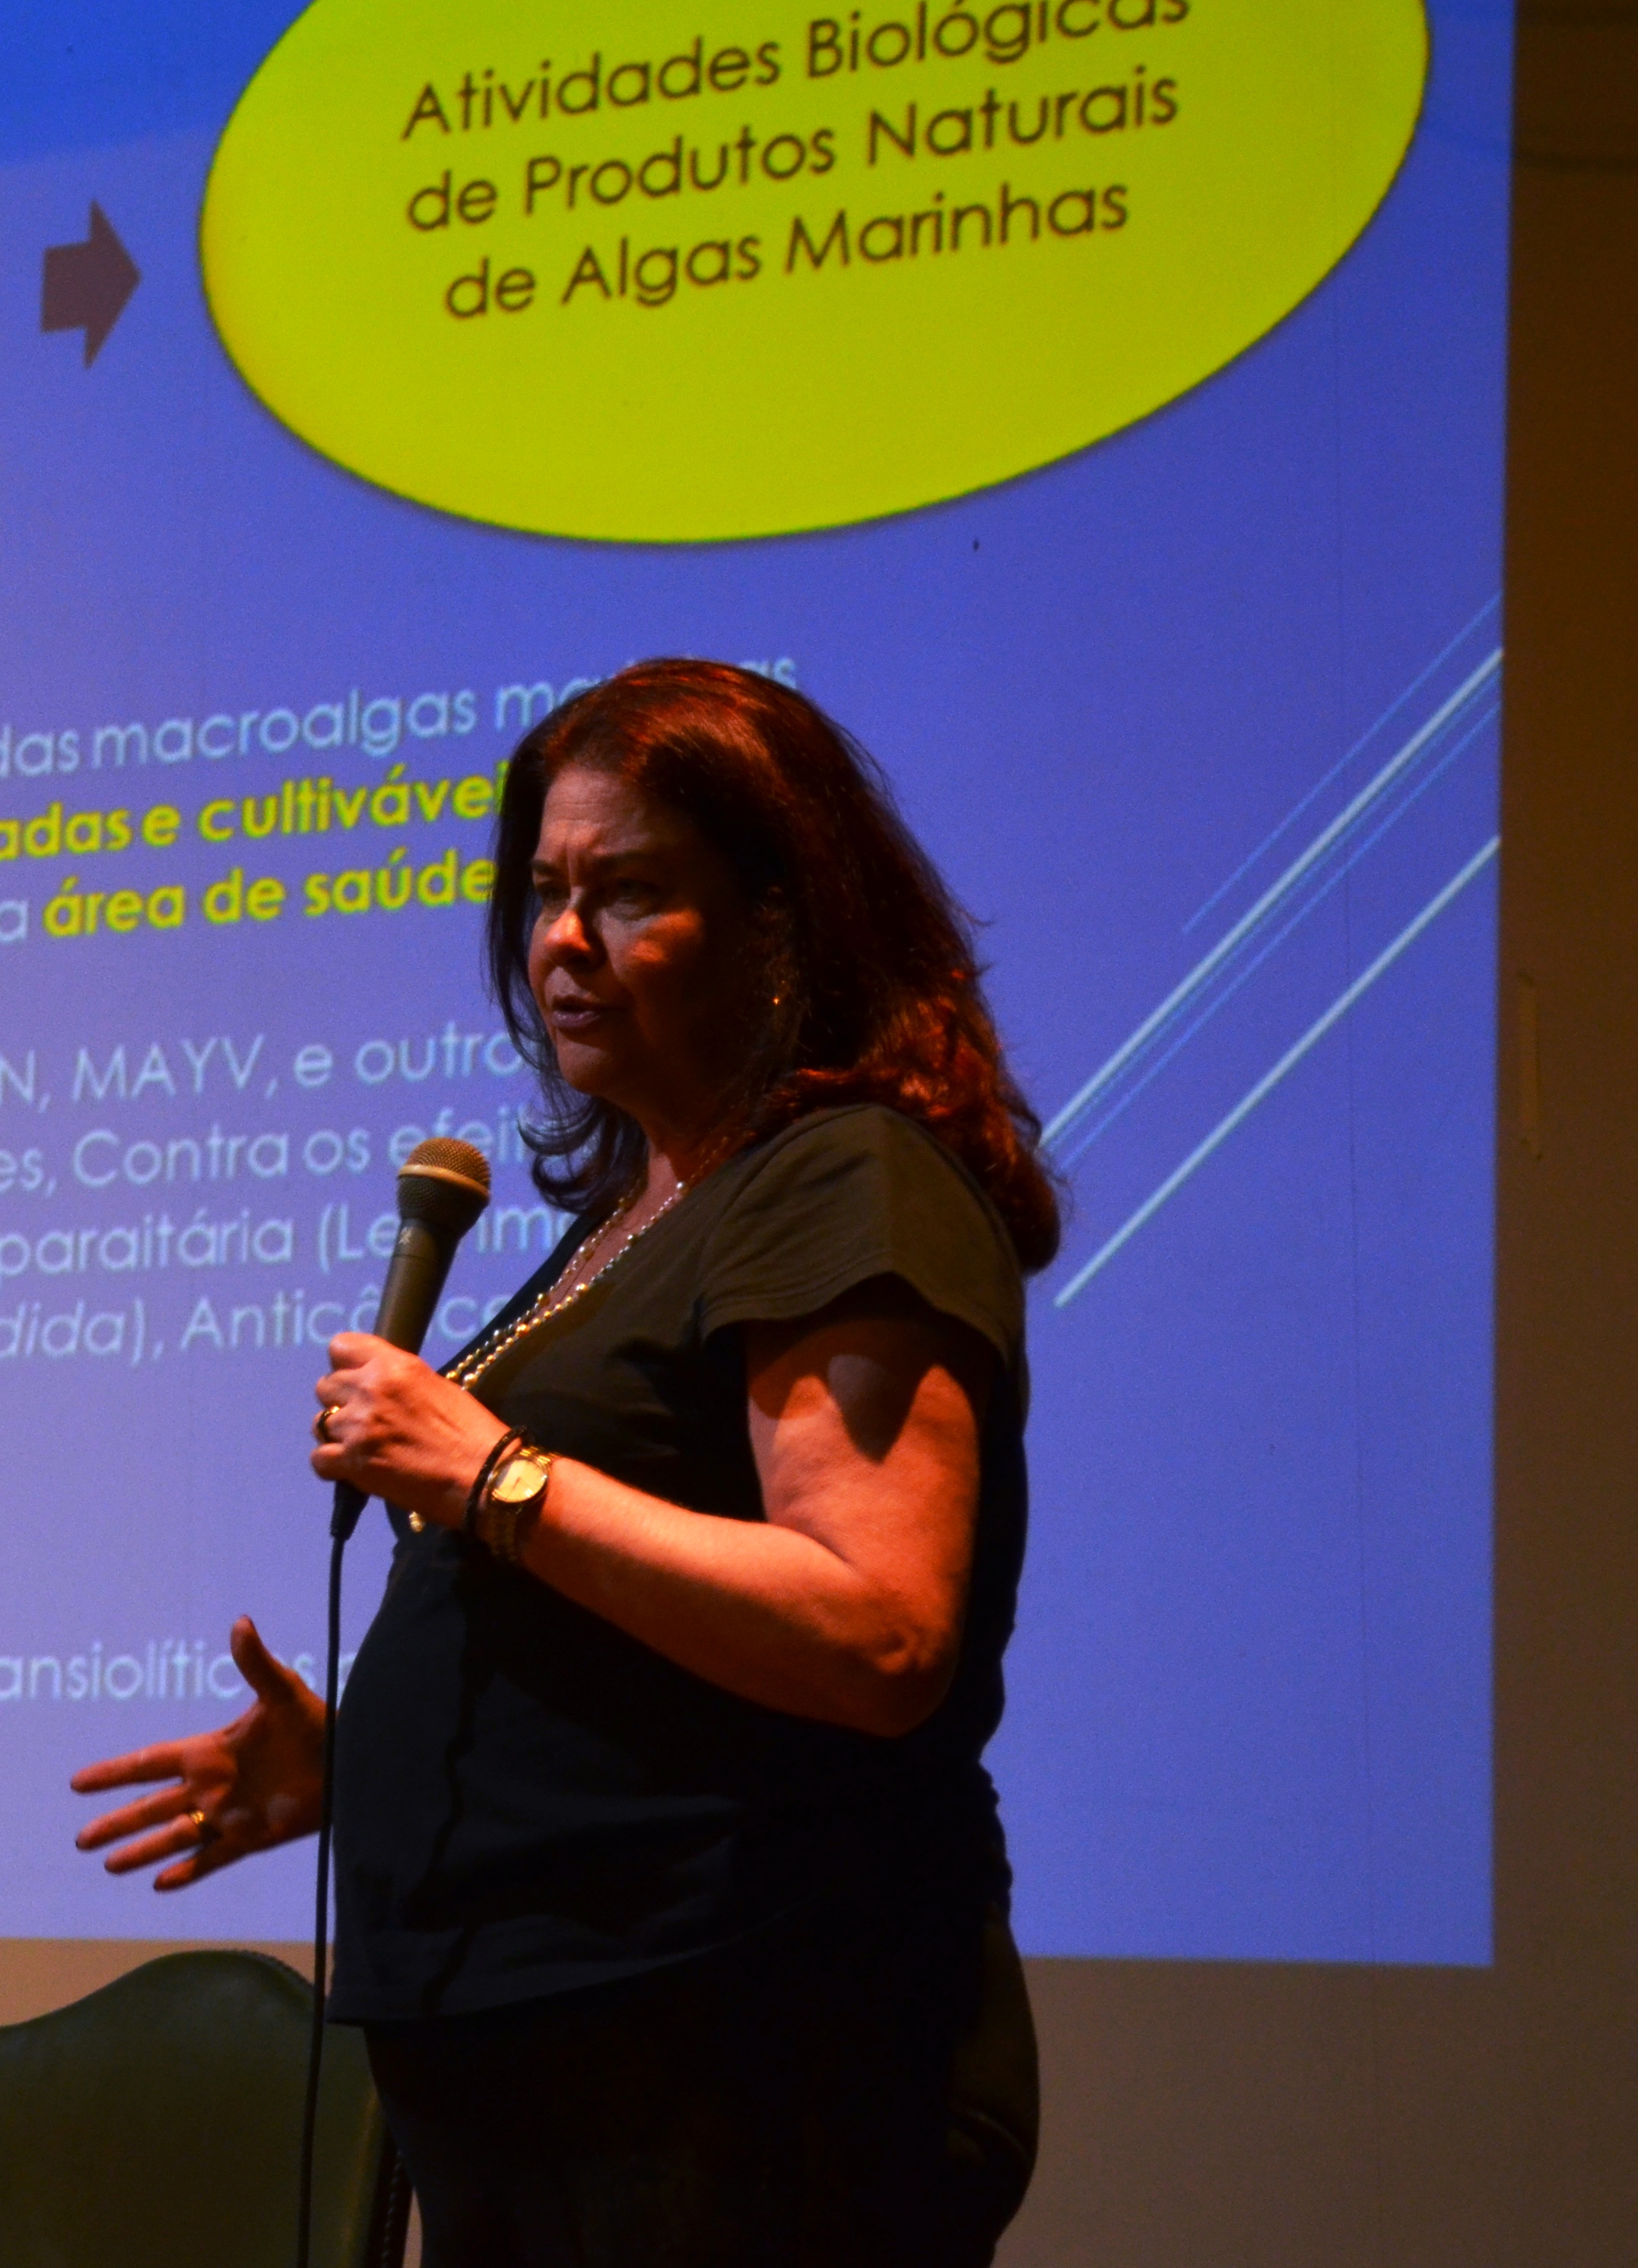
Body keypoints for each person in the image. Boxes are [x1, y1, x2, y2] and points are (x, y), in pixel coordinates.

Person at [71, 660, 1056, 2266]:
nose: (562, 941)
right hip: (549, 2065)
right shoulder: (632, 1219)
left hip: (755, 2057)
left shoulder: (841, 1179)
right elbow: (642, 1647)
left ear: (783, 921)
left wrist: (491, 1475)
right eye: (544, 892)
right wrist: (377, 1762)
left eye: (630, 892)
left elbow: (876, 1627)